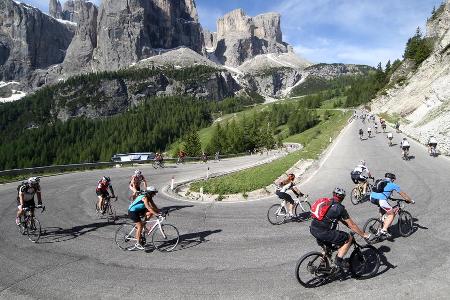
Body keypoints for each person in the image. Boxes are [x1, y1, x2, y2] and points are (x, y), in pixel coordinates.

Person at [310, 188, 369, 269]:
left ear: (333, 194)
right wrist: (363, 234)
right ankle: (338, 261)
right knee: (348, 238)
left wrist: (347, 225)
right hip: (324, 232)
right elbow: (352, 225)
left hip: (313, 228)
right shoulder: (340, 208)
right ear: (343, 198)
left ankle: (323, 265)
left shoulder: (326, 202)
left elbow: (340, 220)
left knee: (327, 247)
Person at [369, 173, 414, 238]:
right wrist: (410, 200)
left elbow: (383, 192)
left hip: (372, 198)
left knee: (384, 209)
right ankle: (384, 230)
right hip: (381, 200)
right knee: (391, 213)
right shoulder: (393, 185)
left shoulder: (381, 182)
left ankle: (381, 222)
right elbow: (403, 194)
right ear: (392, 179)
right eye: (393, 180)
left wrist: (391, 198)